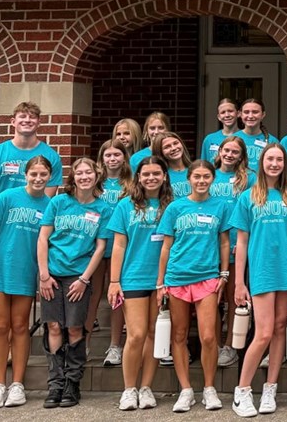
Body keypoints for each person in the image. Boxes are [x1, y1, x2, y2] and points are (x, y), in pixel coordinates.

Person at [37, 158, 113, 409]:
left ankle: (72, 382)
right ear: (73, 177)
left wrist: (84, 279)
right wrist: (44, 275)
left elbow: (100, 247)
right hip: (52, 274)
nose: (84, 177)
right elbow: (43, 238)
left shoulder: (103, 209)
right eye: (79, 173)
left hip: (79, 275)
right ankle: (56, 384)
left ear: (96, 176)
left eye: (88, 172)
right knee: (53, 326)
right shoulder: (59, 202)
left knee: (74, 327)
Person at [156, 160, 231, 412]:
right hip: (177, 276)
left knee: (208, 336)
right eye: (197, 176)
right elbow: (166, 246)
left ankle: (209, 388)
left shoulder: (220, 206)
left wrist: (224, 274)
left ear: (213, 179)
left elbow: (224, 242)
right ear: (189, 179)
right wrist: (160, 282)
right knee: (179, 335)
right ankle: (186, 390)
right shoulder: (175, 207)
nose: (201, 181)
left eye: (206, 176)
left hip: (207, 277)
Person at [231, 144, 287, 417]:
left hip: (286, 270)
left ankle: (270, 388)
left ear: (285, 164)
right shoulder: (248, 197)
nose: (274, 164)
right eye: (270, 159)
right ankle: (242, 391)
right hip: (261, 270)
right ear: (262, 162)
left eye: (279, 159)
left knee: (280, 328)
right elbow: (241, 242)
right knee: (263, 333)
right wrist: (239, 282)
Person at [0, 156, 53, 409]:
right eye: (34, 174)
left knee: (21, 327)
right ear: (26, 174)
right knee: (0, 328)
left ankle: (17, 385)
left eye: (43, 174)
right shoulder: (6, 198)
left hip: (26, 273)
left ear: (50, 176)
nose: (38, 178)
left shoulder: (50, 205)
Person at [106, 156, 173, 411]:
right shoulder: (126, 205)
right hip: (133, 277)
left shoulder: (173, 205)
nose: (151, 178)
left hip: (162, 280)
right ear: (138, 176)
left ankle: (146, 388)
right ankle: (129, 389)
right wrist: (114, 281)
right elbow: (119, 245)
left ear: (164, 176)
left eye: (156, 173)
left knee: (155, 334)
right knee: (135, 335)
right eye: (146, 174)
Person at [210, 136, 254, 368]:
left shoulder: (249, 178)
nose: (229, 155)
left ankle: (230, 346)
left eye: (235, 152)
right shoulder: (210, 174)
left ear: (241, 156)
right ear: (219, 151)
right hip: (210, 245)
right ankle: (215, 345)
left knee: (232, 296)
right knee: (212, 299)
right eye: (226, 150)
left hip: (237, 243)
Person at [0, 101, 63, 207]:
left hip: (32, 216)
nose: (27, 120)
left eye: (32, 117)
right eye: (22, 116)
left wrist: (24, 215)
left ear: (39, 122)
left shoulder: (51, 157)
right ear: (13, 122)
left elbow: (46, 198)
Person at [93, 139, 131, 367]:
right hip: (97, 245)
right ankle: (84, 344)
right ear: (102, 158)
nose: (112, 159)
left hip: (121, 246)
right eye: (108, 155)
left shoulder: (131, 183)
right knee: (94, 295)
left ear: (124, 157)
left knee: (117, 295)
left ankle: (115, 345)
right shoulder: (95, 182)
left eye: (117, 154)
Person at [234, 99, 279, 171]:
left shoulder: (272, 141)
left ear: (263, 114)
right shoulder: (232, 139)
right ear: (240, 114)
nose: (250, 116)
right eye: (246, 112)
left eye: (255, 112)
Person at [151, 132, 193, 198]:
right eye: (167, 147)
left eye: (176, 143)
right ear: (159, 152)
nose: (173, 148)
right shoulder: (159, 176)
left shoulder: (196, 170)